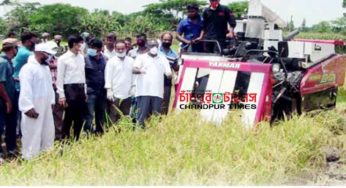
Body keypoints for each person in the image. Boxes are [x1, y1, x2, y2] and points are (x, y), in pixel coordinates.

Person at [18, 43, 56, 160]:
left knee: (47, 130)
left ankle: (46, 154)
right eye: (48, 55)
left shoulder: (45, 68)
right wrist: (27, 107)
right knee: (32, 131)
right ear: (40, 53)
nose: (51, 58)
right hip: (33, 105)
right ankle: (30, 157)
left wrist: (51, 101)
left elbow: (49, 87)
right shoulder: (27, 69)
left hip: (46, 104)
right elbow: (25, 89)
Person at [133, 40, 172, 128]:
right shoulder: (141, 57)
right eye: (151, 45)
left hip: (157, 92)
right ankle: (139, 133)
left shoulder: (163, 58)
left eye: (155, 46)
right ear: (147, 46)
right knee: (141, 116)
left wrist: (170, 75)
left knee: (155, 117)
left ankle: (153, 135)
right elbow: (134, 69)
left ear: (158, 46)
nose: (153, 48)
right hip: (143, 91)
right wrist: (140, 70)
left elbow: (168, 73)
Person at [57, 35, 87, 140]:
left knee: (80, 116)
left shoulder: (81, 57)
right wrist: (61, 95)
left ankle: (76, 138)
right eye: (80, 43)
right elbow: (59, 77)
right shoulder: (63, 59)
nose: (82, 45)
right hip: (69, 89)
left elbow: (83, 75)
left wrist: (85, 91)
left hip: (81, 88)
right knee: (69, 115)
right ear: (74, 44)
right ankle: (65, 139)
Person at [105, 40, 135, 123]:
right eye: (118, 49)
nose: (120, 50)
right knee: (113, 113)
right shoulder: (111, 61)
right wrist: (109, 89)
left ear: (126, 48)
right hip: (115, 93)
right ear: (115, 49)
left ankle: (123, 131)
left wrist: (133, 86)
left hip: (127, 93)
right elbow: (108, 76)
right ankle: (112, 131)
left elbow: (134, 75)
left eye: (122, 48)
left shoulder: (131, 61)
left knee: (125, 114)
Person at [0, 39, 19, 161]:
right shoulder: (2, 63)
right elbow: (0, 84)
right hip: (4, 100)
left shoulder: (8, 62)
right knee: (2, 125)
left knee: (11, 124)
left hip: (10, 97)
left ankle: (11, 148)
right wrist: (7, 100)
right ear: (12, 49)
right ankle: (3, 152)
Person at [84, 39, 107, 134]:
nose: (91, 49)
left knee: (101, 113)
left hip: (102, 91)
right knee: (89, 114)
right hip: (90, 91)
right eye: (90, 47)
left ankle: (99, 132)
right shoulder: (85, 59)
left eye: (94, 48)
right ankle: (87, 132)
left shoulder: (105, 59)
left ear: (100, 49)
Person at [159, 32, 179, 115]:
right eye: (165, 40)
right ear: (161, 39)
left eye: (169, 40)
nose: (167, 41)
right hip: (154, 80)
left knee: (165, 101)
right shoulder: (155, 50)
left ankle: (161, 119)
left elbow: (176, 68)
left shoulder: (174, 55)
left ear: (171, 41)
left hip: (166, 81)